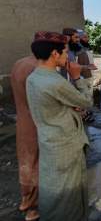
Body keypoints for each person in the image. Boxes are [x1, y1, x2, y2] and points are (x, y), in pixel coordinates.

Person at [26, 31, 92, 221]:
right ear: (54, 54)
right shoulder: (56, 82)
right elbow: (87, 101)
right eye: (64, 52)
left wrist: (70, 109)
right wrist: (77, 77)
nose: (66, 56)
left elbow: (51, 106)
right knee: (68, 194)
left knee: (53, 187)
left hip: (49, 141)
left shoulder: (34, 77)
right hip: (66, 144)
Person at [10, 56, 39, 221]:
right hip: (35, 123)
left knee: (26, 161)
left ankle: (25, 199)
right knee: (36, 164)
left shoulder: (19, 63)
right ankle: (32, 208)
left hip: (22, 121)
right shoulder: (36, 68)